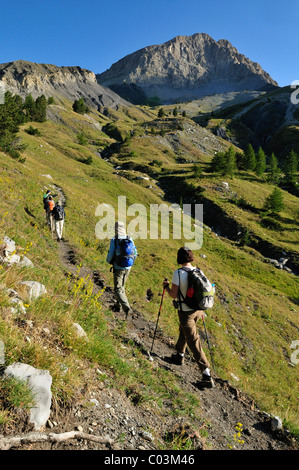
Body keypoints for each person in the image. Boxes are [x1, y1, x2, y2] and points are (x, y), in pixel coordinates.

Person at [163, 247, 215, 389]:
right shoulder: (198, 271)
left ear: (179, 258)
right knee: (184, 331)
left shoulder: (178, 273)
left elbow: (173, 295)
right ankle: (179, 355)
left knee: (193, 340)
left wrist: (166, 287)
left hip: (186, 311)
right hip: (199, 310)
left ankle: (206, 375)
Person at [106, 222, 137, 318]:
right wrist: (130, 263)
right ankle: (117, 305)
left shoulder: (115, 239)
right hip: (128, 267)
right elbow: (135, 252)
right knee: (122, 286)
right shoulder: (129, 238)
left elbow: (111, 254)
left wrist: (109, 261)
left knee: (118, 289)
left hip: (118, 267)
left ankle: (127, 309)